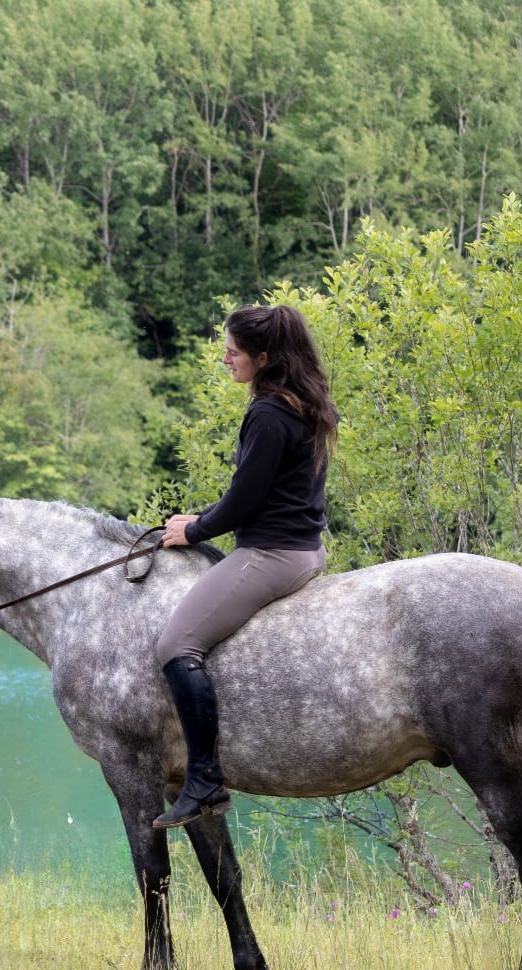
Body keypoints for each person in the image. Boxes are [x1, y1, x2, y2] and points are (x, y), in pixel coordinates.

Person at [152, 304, 338, 829]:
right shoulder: (303, 402)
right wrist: (202, 518)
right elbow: (253, 492)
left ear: (264, 356)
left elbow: (246, 500)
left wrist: (194, 531)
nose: (226, 359)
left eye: (233, 352)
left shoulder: (268, 414)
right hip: (303, 546)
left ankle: (204, 781)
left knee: (175, 645)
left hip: (272, 553)